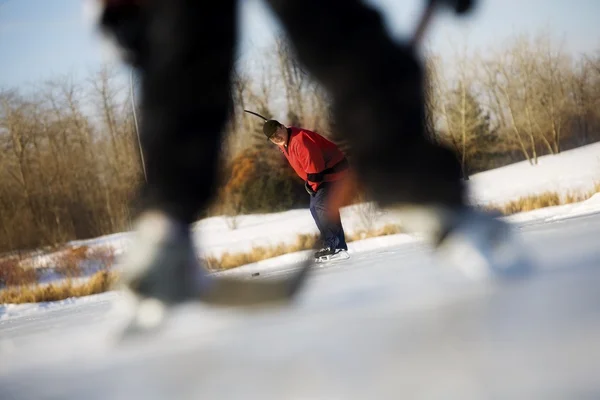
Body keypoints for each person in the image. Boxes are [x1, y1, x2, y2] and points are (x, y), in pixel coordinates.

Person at [95, 0, 527, 311]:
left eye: (280, 131)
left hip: (334, 176)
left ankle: (417, 190)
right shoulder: (288, 143)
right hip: (323, 180)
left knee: (328, 22)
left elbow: (317, 164)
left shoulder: (297, 140)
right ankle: (165, 227)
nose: (280, 135)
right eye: (276, 134)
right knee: (185, 40)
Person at [263, 119, 349, 260]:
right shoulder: (285, 142)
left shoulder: (300, 141)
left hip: (332, 171)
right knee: (315, 208)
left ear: (282, 127)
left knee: (322, 206)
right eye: (272, 137)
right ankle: (334, 245)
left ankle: (336, 247)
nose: (276, 137)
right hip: (321, 175)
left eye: (277, 132)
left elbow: (315, 169)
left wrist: (311, 186)